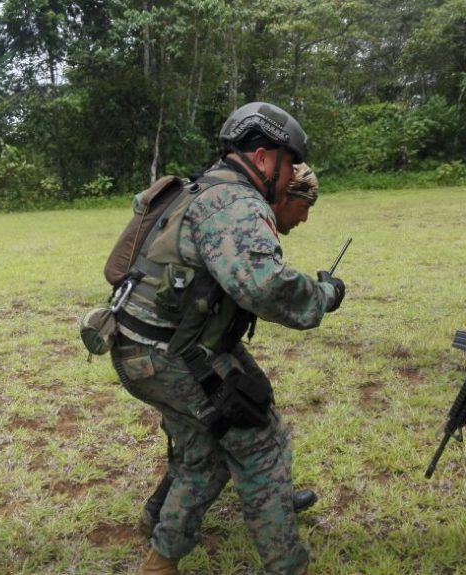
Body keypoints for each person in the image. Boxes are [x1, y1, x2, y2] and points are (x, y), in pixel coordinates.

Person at [110, 102, 344, 575]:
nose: (291, 173)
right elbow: (263, 285)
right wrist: (323, 295)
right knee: (262, 442)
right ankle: (287, 565)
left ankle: (160, 561)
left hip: (139, 344)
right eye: (289, 162)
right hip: (172, 353)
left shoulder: (199, 186)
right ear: (263, 158)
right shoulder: (235, 201)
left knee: (205, 455)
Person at [137, 162, 323, 538]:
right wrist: (325, 295)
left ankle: (270, 498)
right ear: (286, 194)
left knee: (245, 404)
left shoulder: (220, 201)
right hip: (180, 350)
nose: (304, 220)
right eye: (305, 208)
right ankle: (264, 509)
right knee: (232, 430)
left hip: (180, 342)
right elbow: (264, 290)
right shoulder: (239, 210)